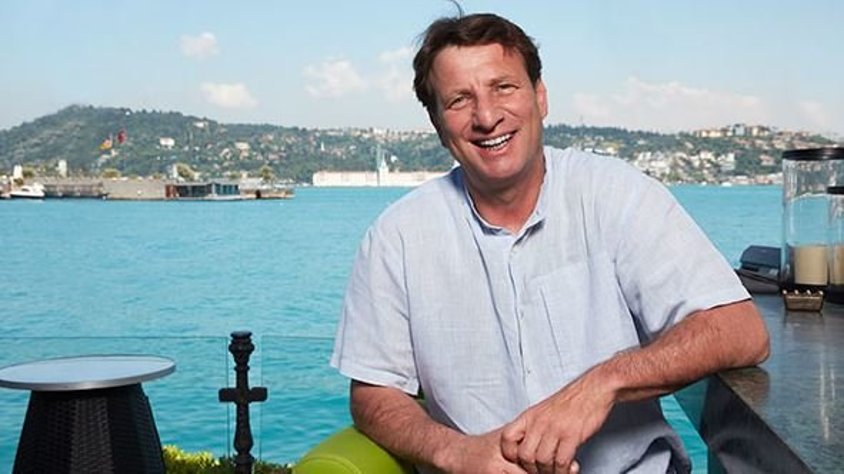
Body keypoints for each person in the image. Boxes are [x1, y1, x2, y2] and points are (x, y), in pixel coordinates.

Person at [331, 12, 770, 474]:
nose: (487, 117)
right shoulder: (397, 237)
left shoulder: (615, 193)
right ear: (439, 125)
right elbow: (373, 393)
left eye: (504, 88)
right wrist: (455, 452)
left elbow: (741, 331)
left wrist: (603, 383)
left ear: (540, 97)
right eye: (460, 100)